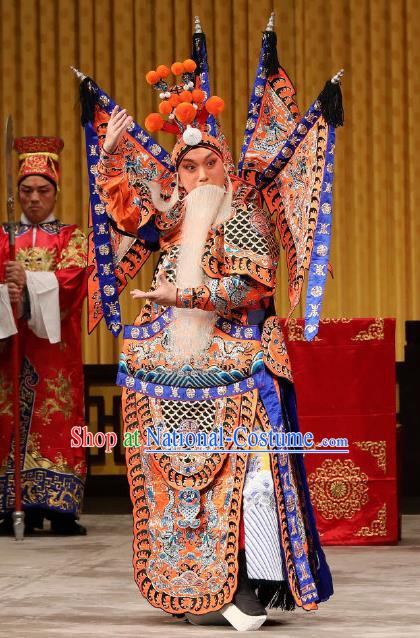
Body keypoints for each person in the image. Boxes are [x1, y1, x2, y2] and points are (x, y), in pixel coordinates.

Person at [80, 14, 341, 631]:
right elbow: (126, 218)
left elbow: (251, 288)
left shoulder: (240, 215)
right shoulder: (172, 220)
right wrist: (114, 159)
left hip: (242, 369)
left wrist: (184, 296)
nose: (200, 177)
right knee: (173, 481)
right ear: (178, 174)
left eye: (209, 166)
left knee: (249, 483)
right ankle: (188, 585)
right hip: (170, 372)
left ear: (227, 169)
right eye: (189, 167)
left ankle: (249, 586)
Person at [0, 136, 88, 536]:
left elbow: (72, 282)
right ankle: (11, 504)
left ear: (56, 192)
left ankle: (61, 507)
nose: (34, 198)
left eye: (43, 190)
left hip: (55, 352)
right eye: (26, 190)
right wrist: (7, 291)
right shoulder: (4, 237)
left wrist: (31, 282)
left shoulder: (72, 237)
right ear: (16, 193)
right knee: (8, 421)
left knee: (56, 419)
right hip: (9, 350)